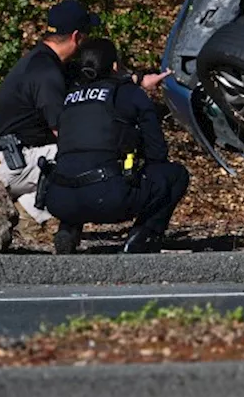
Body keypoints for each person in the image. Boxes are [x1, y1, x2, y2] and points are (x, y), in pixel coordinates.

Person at [44, 38, 189, 255]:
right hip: (108, 196)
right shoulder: (128, 93)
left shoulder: (70, 98)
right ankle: (143, 237)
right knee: (175, 175)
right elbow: (157, 153)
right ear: (114, 66)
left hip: (58, 198)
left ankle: (68, 229)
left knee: (78, 165)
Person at [0, 0, 101, 228]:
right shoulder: (47, 72)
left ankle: (29, 209)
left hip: (6, 159)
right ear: (77, 37)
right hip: (10, 163)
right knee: (85, 154)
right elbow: (64, 134)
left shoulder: (41, 61)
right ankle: (31, 214)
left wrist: (136, 80)